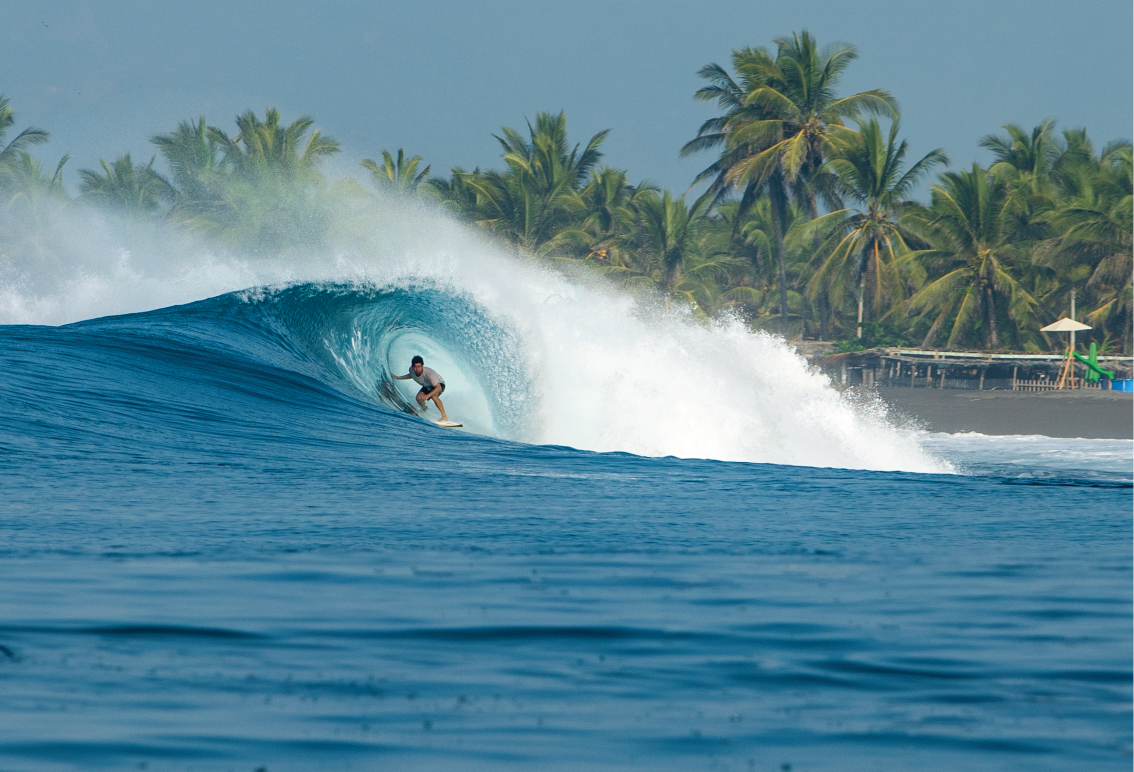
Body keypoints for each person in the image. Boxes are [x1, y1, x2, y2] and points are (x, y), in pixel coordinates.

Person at [393, 355, 450, 422]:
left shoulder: (429, 373)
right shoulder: (411, 370)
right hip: (428, 385)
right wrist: (399, 378)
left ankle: (444, 416)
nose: (417, 369)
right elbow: (411, 375)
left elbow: (438, 387)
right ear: (412, 366)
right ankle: (424, 410)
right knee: (418, 398)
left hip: (439, 384)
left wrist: (428, 395)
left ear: (422, 365)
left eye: (419, 366)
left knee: (433, 396)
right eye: (415, 366)